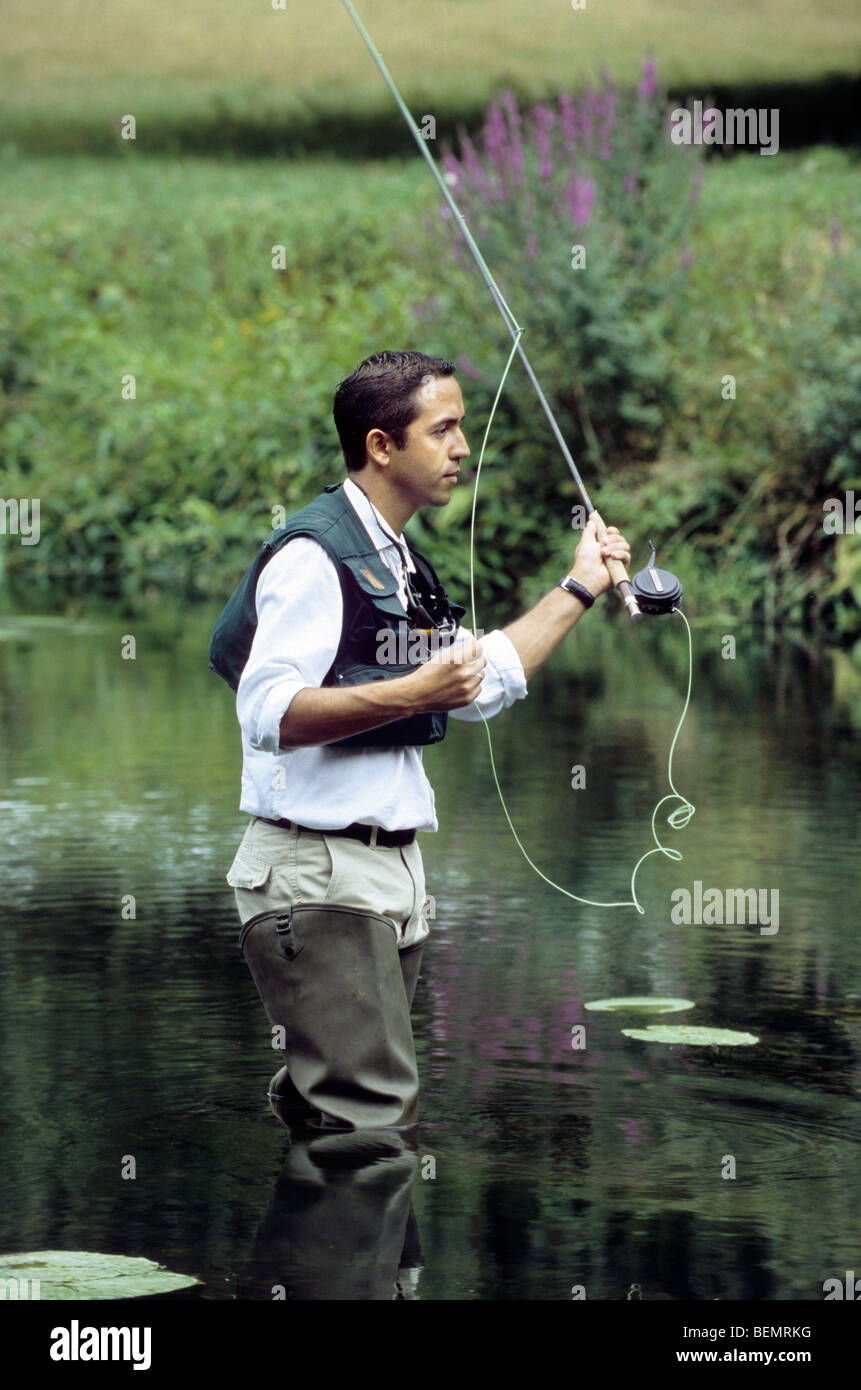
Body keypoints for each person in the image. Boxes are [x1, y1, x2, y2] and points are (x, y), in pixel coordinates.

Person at [216, 349, 631, 1133]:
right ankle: (343, 1256)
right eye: (443, 430)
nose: (462, 449)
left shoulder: (395, 559)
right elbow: (266, 711)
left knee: (336, 1107)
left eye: (461, 429)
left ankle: (308, 1255)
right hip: (320, 872)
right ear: (382, 445)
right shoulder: (314, 555)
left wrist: (581, 587)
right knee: (371, 1116)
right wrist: (412, 692)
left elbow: (478, 683)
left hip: (382, 876)